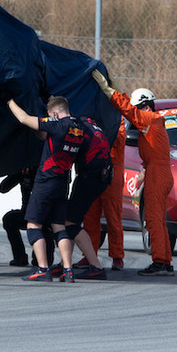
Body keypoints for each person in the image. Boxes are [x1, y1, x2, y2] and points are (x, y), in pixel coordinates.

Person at [92, 71, 174, 277]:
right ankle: (164, 260)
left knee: (153, 220)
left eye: (138, 109)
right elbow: (129, 106)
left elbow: (127, 109)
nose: (135, 116)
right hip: (157, 170)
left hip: (157, 172)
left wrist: (107, 90)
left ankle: (160, 262)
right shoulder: (154, 120)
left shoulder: (150, 119)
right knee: (159, 220)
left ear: (146, 106)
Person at [6, 95, 86, 282]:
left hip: (46, 182)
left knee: (33, 225)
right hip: (62, 183)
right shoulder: (78, 127)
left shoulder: (57, 124)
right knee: (59, 227)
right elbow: (45, 135)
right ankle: (68, 270)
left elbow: (24, 118)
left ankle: (43, 269)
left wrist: (9, 102)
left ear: (55, 114)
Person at [65, 115, 113, 280]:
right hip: (102, 175)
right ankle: (66, 263)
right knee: (72, 219)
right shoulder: (91, 123)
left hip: (90, 176)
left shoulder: (73, 126)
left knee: (70, 223)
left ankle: (96, 266)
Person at [81, 117, 126, 271]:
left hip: (112, 172)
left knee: (113, 216)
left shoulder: (117, 120)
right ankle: (89, 255)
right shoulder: (89, 116)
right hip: (92, 170)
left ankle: (117, 256)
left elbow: (119, 140)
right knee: (89, 216)